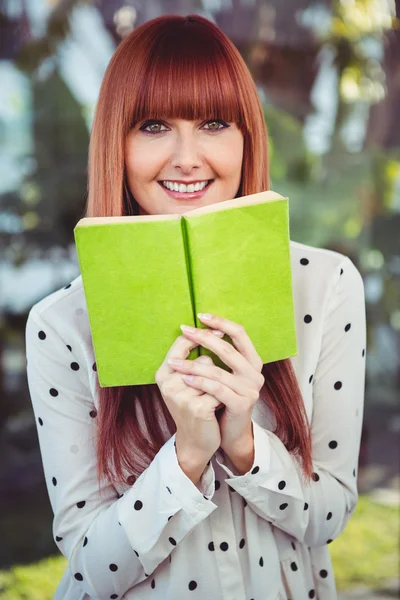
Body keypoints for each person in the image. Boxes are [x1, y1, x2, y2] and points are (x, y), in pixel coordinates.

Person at [25, 14, 367, 600]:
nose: (187, 158)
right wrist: (185, 458)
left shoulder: (325, 284)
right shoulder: (61, 326)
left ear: (246, 138)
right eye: (154, 125)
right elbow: (84, 567)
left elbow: (329, 516)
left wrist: (245, 444)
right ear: (117, 143)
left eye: (213, 123)